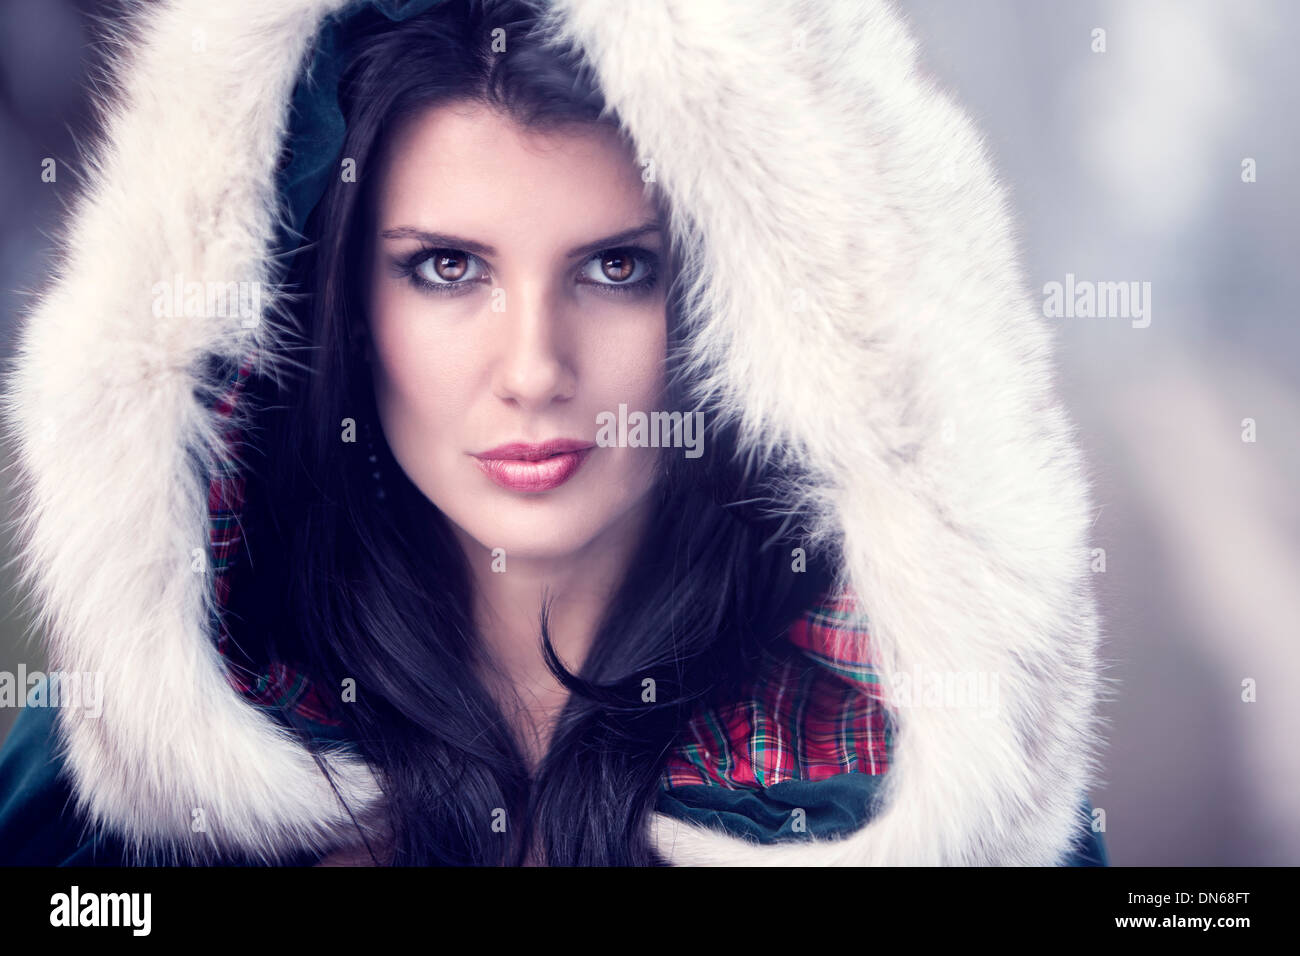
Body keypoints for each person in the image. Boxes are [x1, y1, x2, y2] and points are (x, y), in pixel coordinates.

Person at [0, 0, 1108, 866]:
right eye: (447, 267)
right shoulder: (113, 773)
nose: (534, 369)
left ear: (746, 312)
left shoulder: (895, 790)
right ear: (338, 299)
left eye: (615, 267)